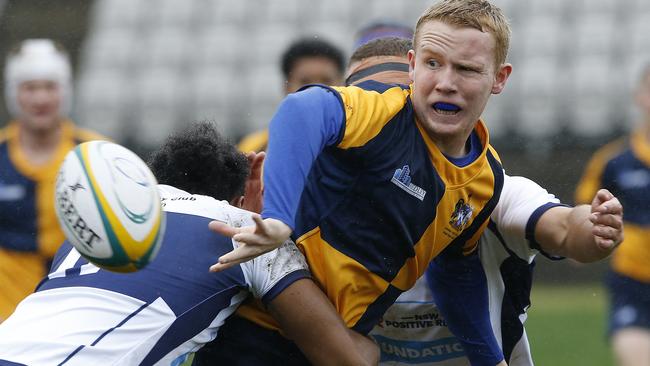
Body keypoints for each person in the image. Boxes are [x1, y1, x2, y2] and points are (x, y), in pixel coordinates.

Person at [203, 1, 515, 364]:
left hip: (333, 342)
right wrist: (277, 219)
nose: (446, 83)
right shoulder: (382, 114)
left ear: (499, 78)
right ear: (412, 65)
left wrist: (490, 358)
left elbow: (455, 272)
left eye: (466, 69)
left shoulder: (487, 179)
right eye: (432, 63)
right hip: (257, 332)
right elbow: (301, 109)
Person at [0, 123, 378, 366]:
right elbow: (346, 360)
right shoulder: (242, 228)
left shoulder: (89, 236)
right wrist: (380, 345)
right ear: (249, 190)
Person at [345, 37, 623, 366]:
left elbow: (562, 227)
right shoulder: (319, 212)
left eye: (397, 103)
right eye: (368, 104)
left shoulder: (490, 193)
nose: (384, 117)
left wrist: (593, 229)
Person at [0, 39, 105, 321]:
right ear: (13, 93)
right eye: (30, 87)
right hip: (6, 316)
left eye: (50, 86)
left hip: (76, 312)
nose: (41, 99)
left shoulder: (98, 154)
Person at [575, 64, 650, 366]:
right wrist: (581, 243)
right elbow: (582, 215)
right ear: (639, 96)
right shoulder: (613, 161)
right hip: (633, 284)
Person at [237, 37, 346, 152]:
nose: (316, 90)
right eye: (305, 81)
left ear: (343, 85)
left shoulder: (359, 144)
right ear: (287, 87)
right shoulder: (254, 149)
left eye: (326, 80)